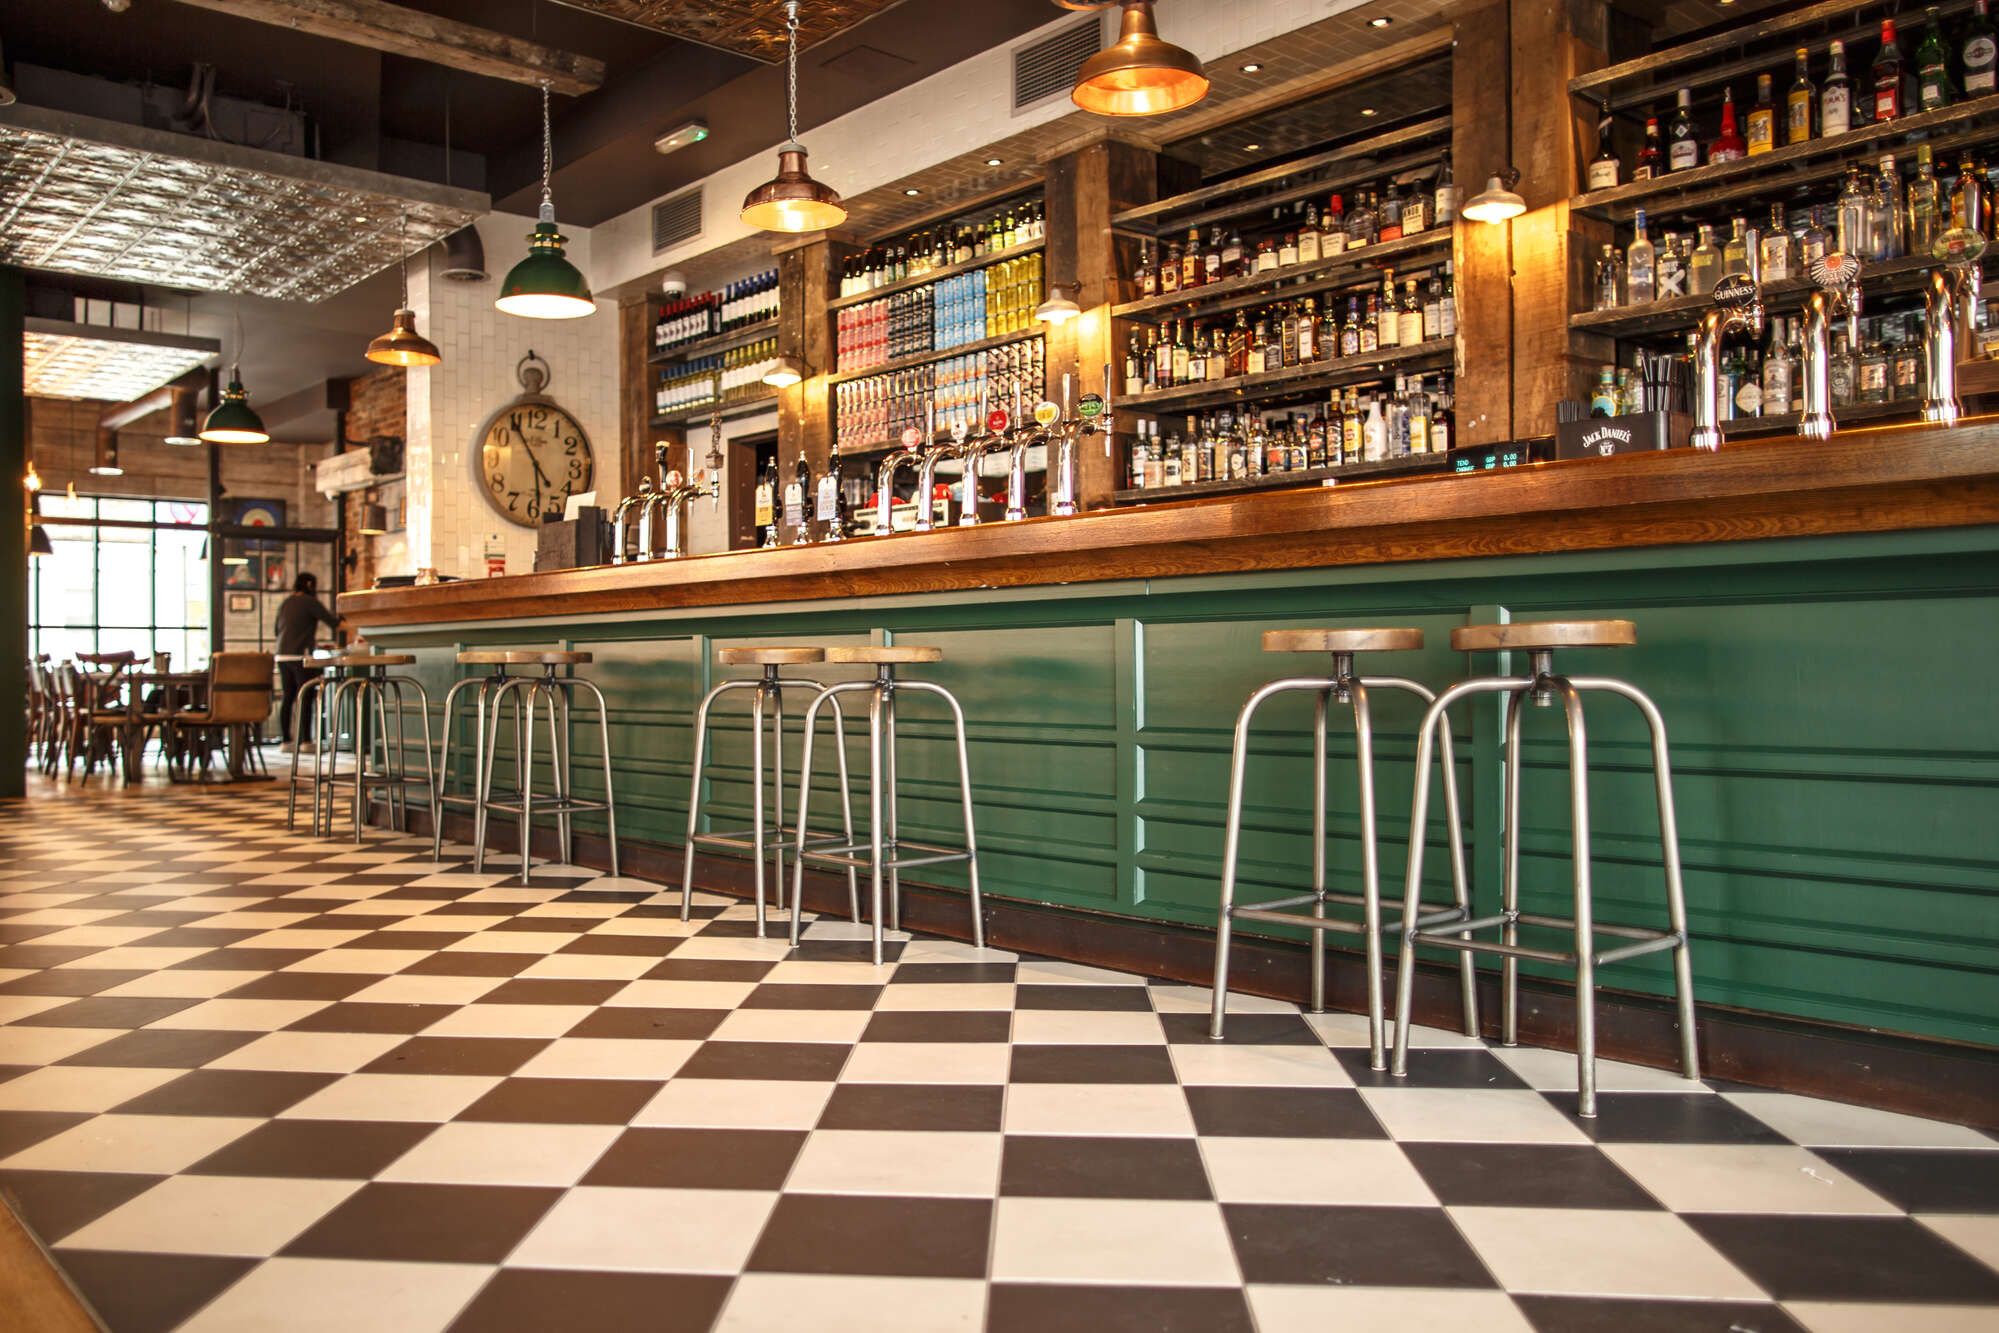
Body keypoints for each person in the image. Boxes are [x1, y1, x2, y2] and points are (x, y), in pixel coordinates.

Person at [274, 571, 339, 750]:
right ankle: (305, 741)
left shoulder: (285, 603)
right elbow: (333, 622)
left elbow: (276, 630)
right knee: (305, 696)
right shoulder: (310, 602)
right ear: (311, 585)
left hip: (281, 654)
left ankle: (285, 740)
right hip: (299, 656)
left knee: (288, 697)